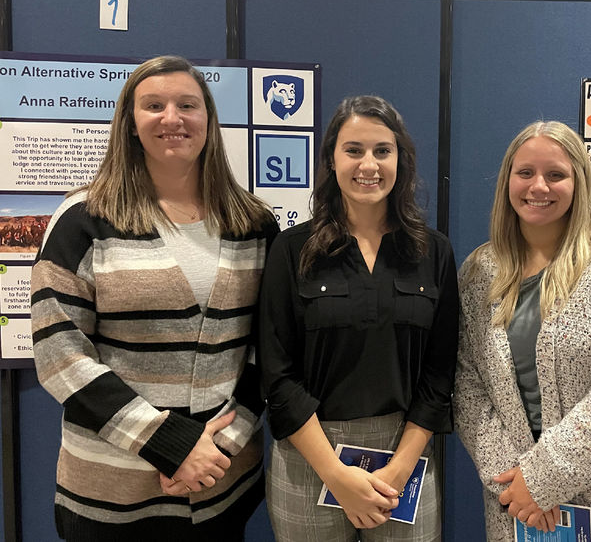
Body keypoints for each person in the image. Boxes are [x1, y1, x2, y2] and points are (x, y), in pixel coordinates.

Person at [30, 55, 279, 541]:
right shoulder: (83, 219)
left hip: (220, 485)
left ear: (208, 118)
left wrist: (215, 450)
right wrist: (169, 444)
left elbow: (266, 350)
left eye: (188, 104)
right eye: (153, 106)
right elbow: (60, 354)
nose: (172, 118)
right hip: (111, 492)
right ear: (129, 122)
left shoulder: (253, 224)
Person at [454, 121, 591, 541]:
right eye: (525, 173)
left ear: (579, 183)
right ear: (507, 181)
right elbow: (468, 386)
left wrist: (542, 479)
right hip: (518, 510)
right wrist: (515, 485)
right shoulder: (480, 272)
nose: (538, 186)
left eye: (555, 174)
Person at [259, 95, 458, 541]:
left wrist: (400, 467)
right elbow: (277, 373)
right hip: (311, 457)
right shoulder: (291, 250)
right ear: (332, 159)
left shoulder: (433, 251)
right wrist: (336, 474)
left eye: (382, 151)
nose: (368, 164)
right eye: (353, 150)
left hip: (403, 459)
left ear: (400, 161)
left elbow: (441, 371)